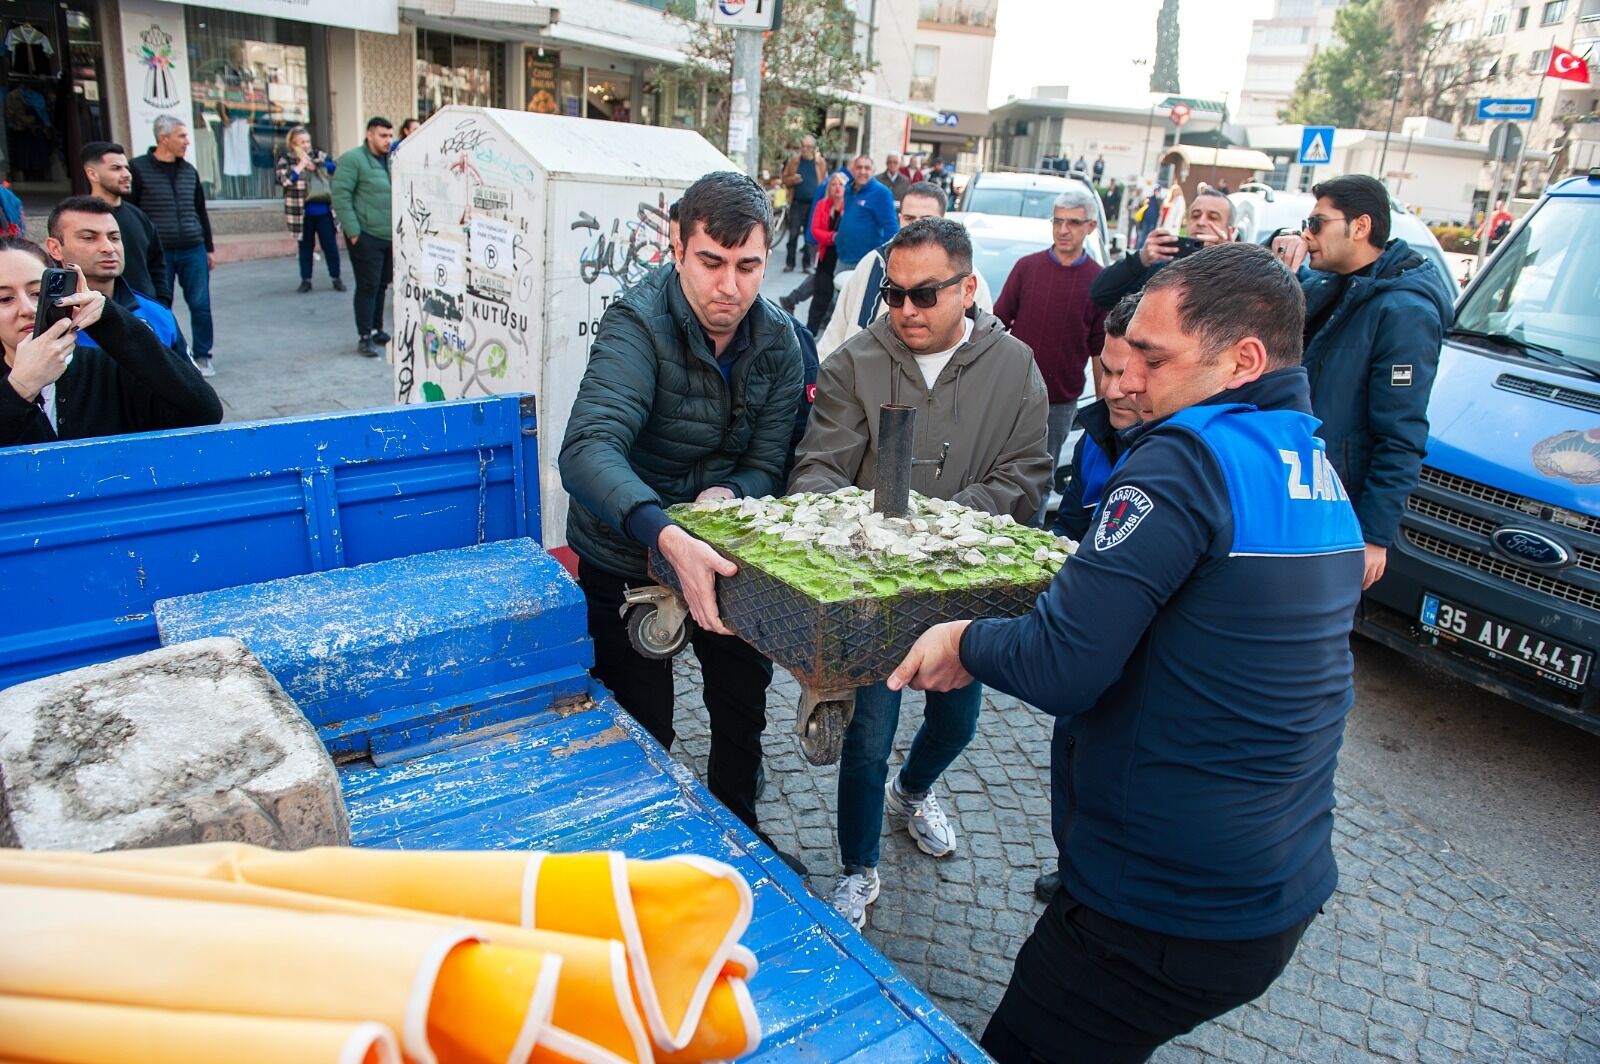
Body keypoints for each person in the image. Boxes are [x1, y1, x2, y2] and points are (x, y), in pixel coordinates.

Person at [890, 242, 1366, 1062]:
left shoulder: (1182, 461)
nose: (1125, 380)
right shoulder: (1313, 464)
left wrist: (962, 639)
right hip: (1279, 882)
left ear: (1244, 360)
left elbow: (1063, 664)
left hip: (1158, 906)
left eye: (1153, 357)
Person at [789, 217, 1049, 929]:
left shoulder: (1015, 366)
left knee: (957, 721)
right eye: (894, 294)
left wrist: (942, 523)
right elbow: (818, 467)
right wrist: (848, 522)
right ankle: (857, 867)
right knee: (867, 737)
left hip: (965, 590)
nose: (906, 309)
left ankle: (913, 791)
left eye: (924, 294)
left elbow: (1027, 475)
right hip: (874, 591)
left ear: (968, 289)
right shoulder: (854, 361)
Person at [558, 171, 804, 848]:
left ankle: (741, 841)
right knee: (642, 728)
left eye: (748, 266)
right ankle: (647, 855)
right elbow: (586, 449)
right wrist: (666, 532)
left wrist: (732, 494)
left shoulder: (780, 341)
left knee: (741, 708)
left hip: (728, 553)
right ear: (676, 247)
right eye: (711, 263)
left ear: (768, 258)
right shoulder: (637, 324)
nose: (729, 286)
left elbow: (769, 461)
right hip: (627, 550)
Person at [1270, 174, 1454, 590]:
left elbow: (1401, 434)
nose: (1307, 234)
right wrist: (1279, 247)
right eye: (1305, 223)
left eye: (1317, 223)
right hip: (1293, 488)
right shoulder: (1329, 284)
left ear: (1360, 226)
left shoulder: (1405, 312)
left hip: (1336, 508)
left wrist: (1373, 535)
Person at [0, 236, 221, 447]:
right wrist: (20, 388)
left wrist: (112, 321)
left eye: (37, 293)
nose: (27, 309)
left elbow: (204, 412)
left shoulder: (109, 368)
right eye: (5, 299)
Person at [993, 185, 1106, 519]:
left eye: (1073, 222)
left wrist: (1104, 406)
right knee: (998, 467)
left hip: (1060, 402)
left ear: (1091, 227)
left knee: (1042, 479)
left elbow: (1100, 349)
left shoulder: (1098, 281)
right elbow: (996, 324)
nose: (1063, 229)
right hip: (1013, 392)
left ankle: (1029, 537)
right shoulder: (1027, 268)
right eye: (1058, 221)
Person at [816, 181, 993, 357]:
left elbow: (982, 350)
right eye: (909, 218)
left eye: (926, 219)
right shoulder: (873, 265)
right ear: (899, 218)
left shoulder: (963, 279)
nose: (916, 226)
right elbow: (833, 341)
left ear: (943, 220)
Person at [1047, 291, 1140, 544]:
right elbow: (1067, 530)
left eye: (1126, 375)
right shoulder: (1092, 441)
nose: (1111, 391)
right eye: (1106, 372)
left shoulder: (1188, 455)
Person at [45, 196, 187, 361]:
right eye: (89, 238)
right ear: (55, 248)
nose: (108, 248)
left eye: (114, 238)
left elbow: (189, 377)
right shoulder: (36, 320)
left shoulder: (157, 314)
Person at [128, 116, 214, 376]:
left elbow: (200, 210)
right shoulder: (138, 169)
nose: (187, 141)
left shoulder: (189, 171)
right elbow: (131, 212)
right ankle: (163, 356)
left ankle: (203, 355)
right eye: (182, 136)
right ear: (163, 138)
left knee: (200, 304)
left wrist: (208, 247)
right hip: (158, 253)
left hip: (193, 247)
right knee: (159, 306)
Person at [1091, 187, 1237, 310]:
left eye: (1213, 217)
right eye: (1195, 215)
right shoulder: (1164, 267)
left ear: (1230, 230)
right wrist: (1141, 259)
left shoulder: (1239, 275)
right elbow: (1100, 294)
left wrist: (1230, 264)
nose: (1201, 222)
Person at [331, 117, 395, 358]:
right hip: (366, 235)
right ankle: (364, 335)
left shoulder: (392, 160)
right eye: (383, 135)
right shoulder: (352, 159)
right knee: (368, 285)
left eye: (390, 136)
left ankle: (377, 329)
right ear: (369, 135)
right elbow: (340, 196)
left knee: (382, 285)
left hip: (389, 236)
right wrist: (353, 231)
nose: (388, 140)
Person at [81, 141, 170, 306]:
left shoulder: (139, 216)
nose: (126, 174)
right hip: (98, 310)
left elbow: (157, 265)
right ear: (93, 174)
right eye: (116, 168)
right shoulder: (78, 219)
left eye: (126, 168)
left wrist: (162, 304)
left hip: (144, 308)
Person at [276, 126, 344, 295]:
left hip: (324, 211)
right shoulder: (286, 160)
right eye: (302, 142)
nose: (306, 145)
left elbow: (336, 167)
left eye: (307, 141)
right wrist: (300, 166)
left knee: (330, 246)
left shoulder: (318, 155)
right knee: (305, 247)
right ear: (293, 144)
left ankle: (336, 277)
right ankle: (306, 280)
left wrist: (318, 165)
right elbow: (284, 181)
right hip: (301, 213)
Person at [835, 155, 899, 273]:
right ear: (853, 170)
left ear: (873, 171)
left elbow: (891, 229)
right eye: (859, 167)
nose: (862, 171)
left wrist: (884, 259)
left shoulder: (882, 193)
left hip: (865, 262)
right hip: (842, 258)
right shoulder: (848, 190)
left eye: (867, 168)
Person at [779, 135, 822, 273]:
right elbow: (784, 179)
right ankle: (790, 263)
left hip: (813, 205)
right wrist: (793, 179)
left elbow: (824, 182)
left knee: (810, 236)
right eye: (803, 146)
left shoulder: (820, 162)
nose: (805, 149)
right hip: (797, 203)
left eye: (808, 147)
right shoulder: (794, 161)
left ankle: (807, 264)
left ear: (813, 148)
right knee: (793, 235)